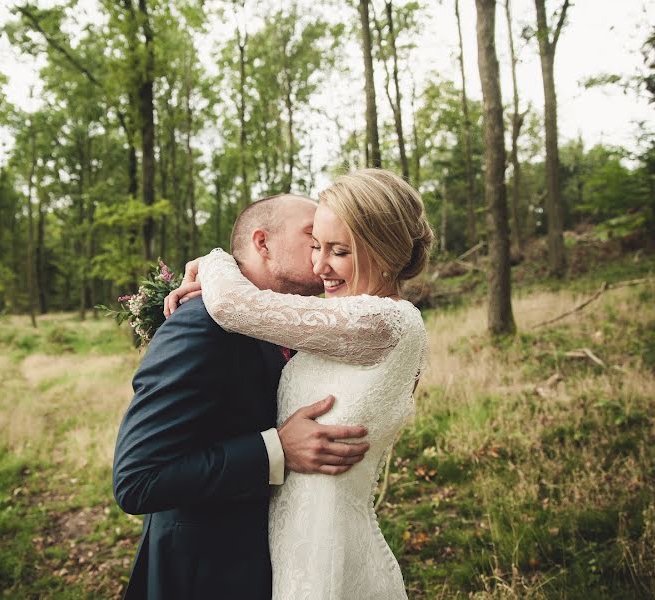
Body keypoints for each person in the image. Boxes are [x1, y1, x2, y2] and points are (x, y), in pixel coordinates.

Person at [166, 168, 434, 600]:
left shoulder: (383, 322)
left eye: (339, 251)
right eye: (316, 247)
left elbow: (236, 306)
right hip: (291, 536)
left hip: (327, 546)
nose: (319, 266)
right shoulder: (348, 317)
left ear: (383, 252)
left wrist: (215, 259)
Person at [111, 193, 371, 600]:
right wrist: (277, 449)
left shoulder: (287, 322)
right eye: (311, 237)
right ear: (262, 243)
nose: (322, 253)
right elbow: (137, 480)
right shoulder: (201, 325)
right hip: (204, 575)